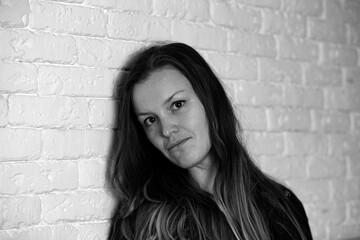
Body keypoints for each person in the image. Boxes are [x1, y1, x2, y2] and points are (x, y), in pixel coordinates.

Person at [108, 42, 313, 240]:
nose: (167, 129)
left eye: (177, 105)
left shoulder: (279, 206)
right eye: (150, 120)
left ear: (210, 100)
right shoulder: (139, 217)